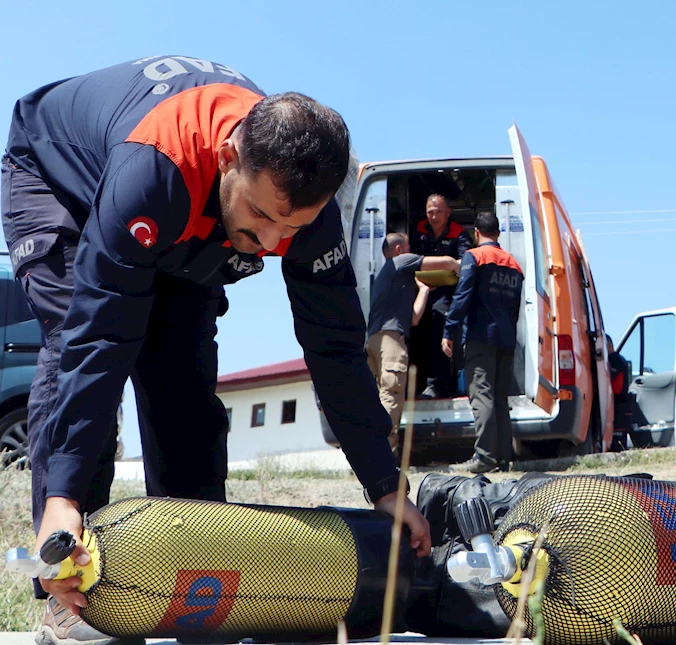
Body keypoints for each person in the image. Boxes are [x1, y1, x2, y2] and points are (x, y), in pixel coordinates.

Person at [1, 55, 431, 645]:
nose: (275, 244)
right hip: (60, 179)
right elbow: (97, 341)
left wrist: (385, 486)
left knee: (181, 376)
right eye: (261, 217)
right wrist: (64, 494)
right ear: (230, 156)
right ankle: (67, 584)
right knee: (76, 333)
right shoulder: (152, 171)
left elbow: (334, 346)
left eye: (293, 228)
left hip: (189, 202)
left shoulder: (304, 211)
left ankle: (196, 576)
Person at [442, 212, 523, 474]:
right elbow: (516, 308)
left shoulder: (475, 257)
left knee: (482, 395)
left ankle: (485, 458)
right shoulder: (513, 264)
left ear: (476, 232)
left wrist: (449, 330)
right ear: (498, 233)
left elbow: (462, 296)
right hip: (507, 339)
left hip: (481, 338)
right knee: (500, 398)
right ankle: (502, 458)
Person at [366, 233, 460, 451]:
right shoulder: (400, 261)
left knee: (381, 397)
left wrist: (424, 290)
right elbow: (444, 262)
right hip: (391, 341)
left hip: (376, 340)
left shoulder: (389, 277)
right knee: (391, 396)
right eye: (410, 248)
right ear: (399, 249)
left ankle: (374, 452)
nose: (412, 252)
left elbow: (414, 319)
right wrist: (460, 265)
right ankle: (384, 455)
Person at [410, 194, 472, 399]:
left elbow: (465, 264)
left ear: (448, 212)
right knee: (415, 331)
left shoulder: (460, 234)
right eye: (430, 212)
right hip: (421, 289)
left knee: (439, 328)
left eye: (438, 211)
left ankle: (437, 385)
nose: (434, 216)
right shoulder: (418, 231)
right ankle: (415, 384)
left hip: (447, 293)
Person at [607, 335, 631, 451]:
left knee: (617, 439)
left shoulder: (615, 360)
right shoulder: (617, 359)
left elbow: (608, 377)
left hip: (618, 402)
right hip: (616, 402)